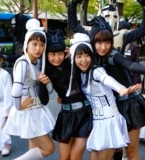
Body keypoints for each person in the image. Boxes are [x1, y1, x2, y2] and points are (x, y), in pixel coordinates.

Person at [68, 9, 145, 159]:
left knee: (130, 152)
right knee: (112, 151)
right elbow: (74, 25)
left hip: (127, 104)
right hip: (105, 110)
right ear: (92, 41)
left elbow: (129, 65)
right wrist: (72, 5)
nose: (103, 47)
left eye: (107, 42)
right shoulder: (88, 58)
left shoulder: (114, 55)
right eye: (98, 42)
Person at [67, 33, 142, 160]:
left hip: (109, 121)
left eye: (87, 55)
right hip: (97, 122)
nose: (83, 60)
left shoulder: (96, 71)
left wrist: (121, 89)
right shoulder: (79, 75)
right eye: (79, 56)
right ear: (73, 58)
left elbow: (107, 79)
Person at [3, 19, 56, 160]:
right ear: (27, 44)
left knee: (35, 149)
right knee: (49, 148)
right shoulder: (22, 62)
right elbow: (15, 90)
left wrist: (47, 81)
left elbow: (49, 90)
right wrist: (18, 106)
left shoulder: (38, 62)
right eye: (34, 44)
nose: (38, 48)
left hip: (36, 109)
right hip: (28, 111)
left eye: (42, 44)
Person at [39, 29, 93, 160]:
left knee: (75, 157)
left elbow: (88, 58)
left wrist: (75, 53)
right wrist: (42, 84)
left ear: (65, 52)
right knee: (64, 158)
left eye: (60, 54)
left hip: (85, 114)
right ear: (47, 54)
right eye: (52, 54)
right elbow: (44, 100)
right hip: (66, 115)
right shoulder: (45, 70)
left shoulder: (73, 62)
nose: (56, 58)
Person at [118, 21, 142, 85]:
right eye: (121, 32)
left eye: (126, 32)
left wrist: (136, 82)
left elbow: (136, 63)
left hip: (129, 77)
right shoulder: (113, 45)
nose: (124, 34)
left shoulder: (134, 47)